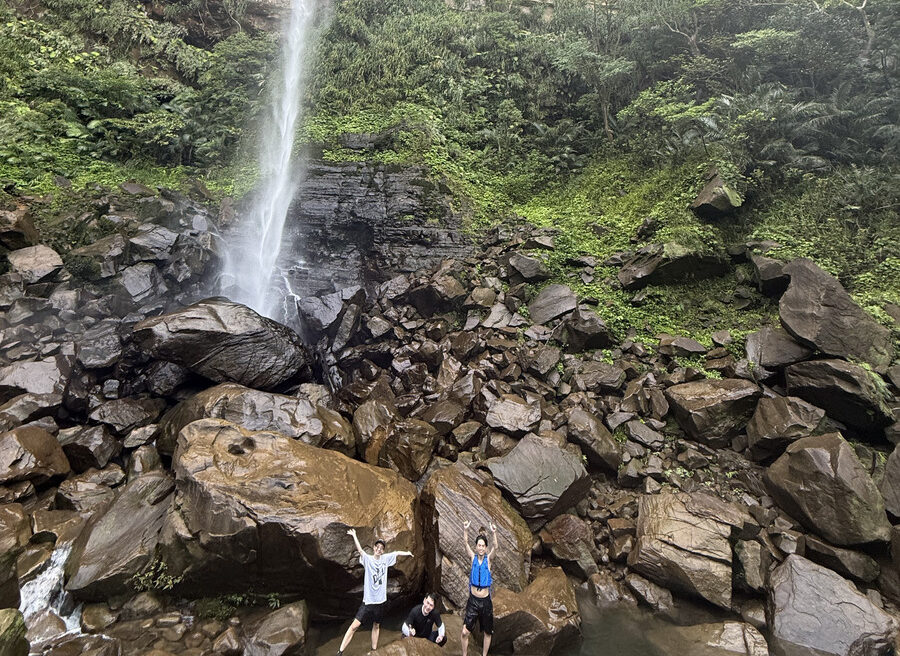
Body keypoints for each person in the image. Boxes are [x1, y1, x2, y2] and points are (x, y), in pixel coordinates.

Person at [337, 528, 413, 655]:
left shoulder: (385, 559)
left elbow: (396, 553)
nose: (379, 549)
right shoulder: (368, 560)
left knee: (376, 626)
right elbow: (360, 551)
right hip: (368, 602)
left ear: (383, 551)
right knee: (354, 626)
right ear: (374, 548)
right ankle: (340, 651)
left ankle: (373, 651)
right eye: (377, 547)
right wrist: (354, 535)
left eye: (381, 548)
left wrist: (408, 553)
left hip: (380, 602)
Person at [461, 520, 498, 656]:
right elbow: (465, 543)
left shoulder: (488, 560)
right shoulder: (473, 558)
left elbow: (496, 547)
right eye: (479, 545)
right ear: (476, 547)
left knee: (487, 632)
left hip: (485, 601)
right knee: (464, 632)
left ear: (486, 548)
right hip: (473, 601)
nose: (481, 548)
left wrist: (494, 532)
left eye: (483, 546)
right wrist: (466, 530)